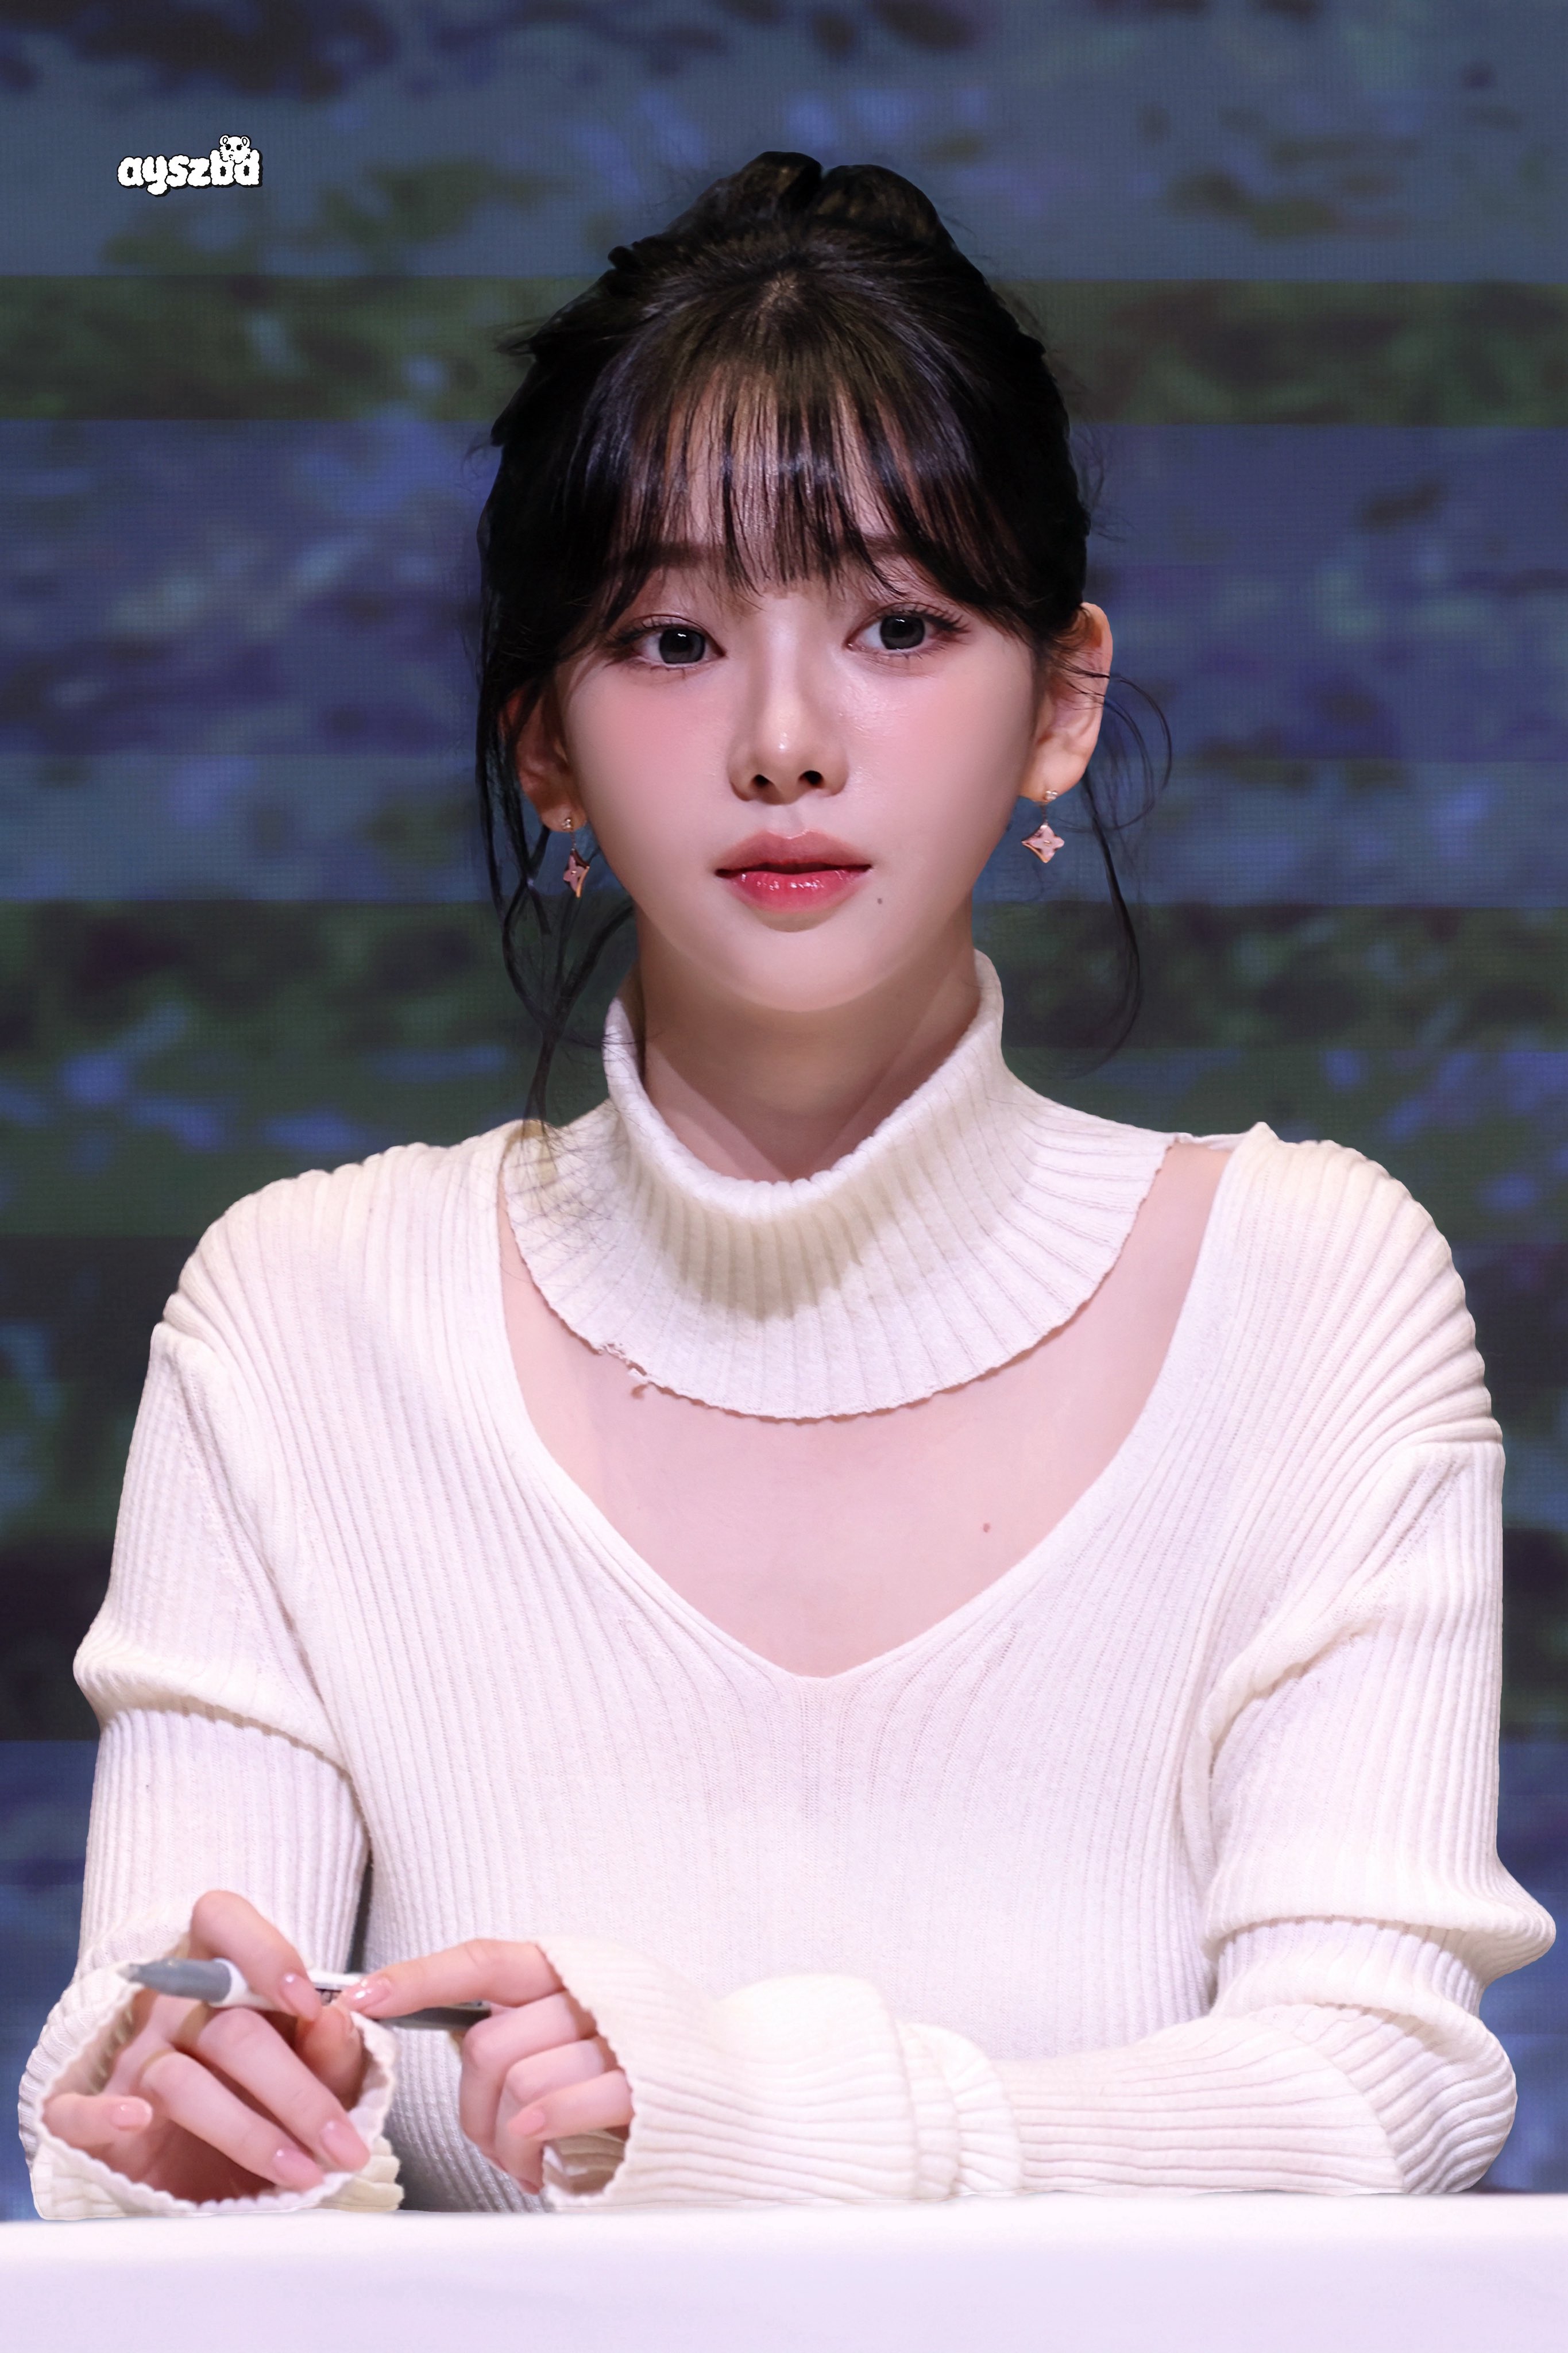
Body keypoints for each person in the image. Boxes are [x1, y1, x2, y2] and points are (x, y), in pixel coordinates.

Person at [22, 153, 1552, 2219]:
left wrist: (775, 2116)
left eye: (900, 626)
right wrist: (196, 2136)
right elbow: (166, 2043)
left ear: (1062, 704)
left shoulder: (1304, 1289)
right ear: (543, 748)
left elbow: (1380, 2096)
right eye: (668, 638)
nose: (782, 739)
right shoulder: (302, 1318)